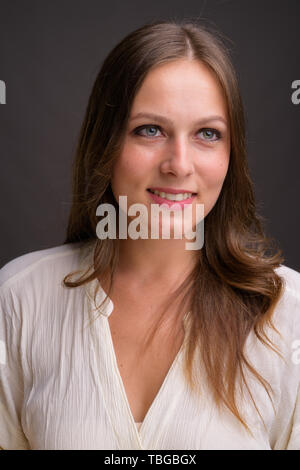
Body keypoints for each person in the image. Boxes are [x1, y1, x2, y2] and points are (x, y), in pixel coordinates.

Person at [0, 19, 299, 451]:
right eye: (150, 130)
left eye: (207, 134)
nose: (179, 164)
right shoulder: (18, 299)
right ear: (105, 143)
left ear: (232, 155)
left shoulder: (289, 315)